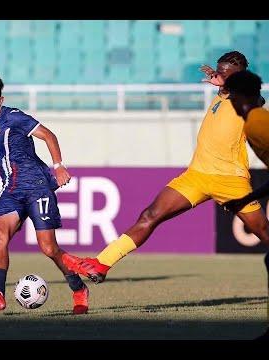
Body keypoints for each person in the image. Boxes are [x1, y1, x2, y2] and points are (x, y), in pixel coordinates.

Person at [62, 51, 269, 284]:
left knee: (263, 231)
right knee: (150, 215)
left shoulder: (248, 100)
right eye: (218, 71)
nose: (219, 76)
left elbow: (257, 100)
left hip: (230, 180)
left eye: (225, 73)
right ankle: (102, 263)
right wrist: (223, 84)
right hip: (197, 175)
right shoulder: (222, 94)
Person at [0, 74, 89, 314]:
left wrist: (58, 167)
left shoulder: (14, 117)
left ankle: (79, 289)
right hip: (12, 190)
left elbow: (49, 135)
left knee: (48, 248)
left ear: (0, 99)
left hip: (37, 185)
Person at [218, 69, 269, 340]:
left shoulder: (257, 123)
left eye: (230, 97)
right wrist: (247, 198)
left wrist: (246, 198)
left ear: (238, 97)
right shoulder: (255, 121)